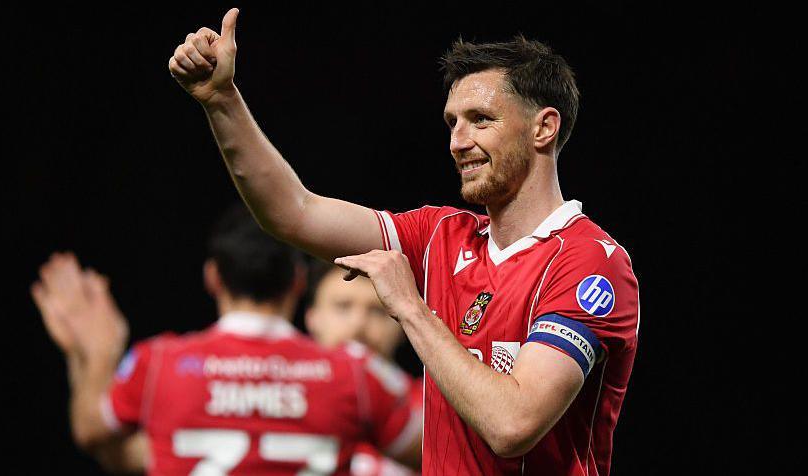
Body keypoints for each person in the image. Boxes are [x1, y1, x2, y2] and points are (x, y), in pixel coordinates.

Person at [169, 9, 639, 475]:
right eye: (452, 122)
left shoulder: (590, 264)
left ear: (544, 127)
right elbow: (293, 213)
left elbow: (513, 426)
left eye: (480, 119)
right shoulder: (439, 234)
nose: (458, 141)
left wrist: (412, 307)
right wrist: (222, 101)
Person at [31, 208, 421, 475]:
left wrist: (96, 353)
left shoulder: (158, 364)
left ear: (212, 278)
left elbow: (93, 432)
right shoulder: (356, 376)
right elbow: (442, 456)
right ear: (298, 282)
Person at [306, 265, 423, 476]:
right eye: (343, 306)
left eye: (377, 311)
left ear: (402, 324)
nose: (358, 324)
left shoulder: (432, 408)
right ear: (312, 318)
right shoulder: (285, 397)